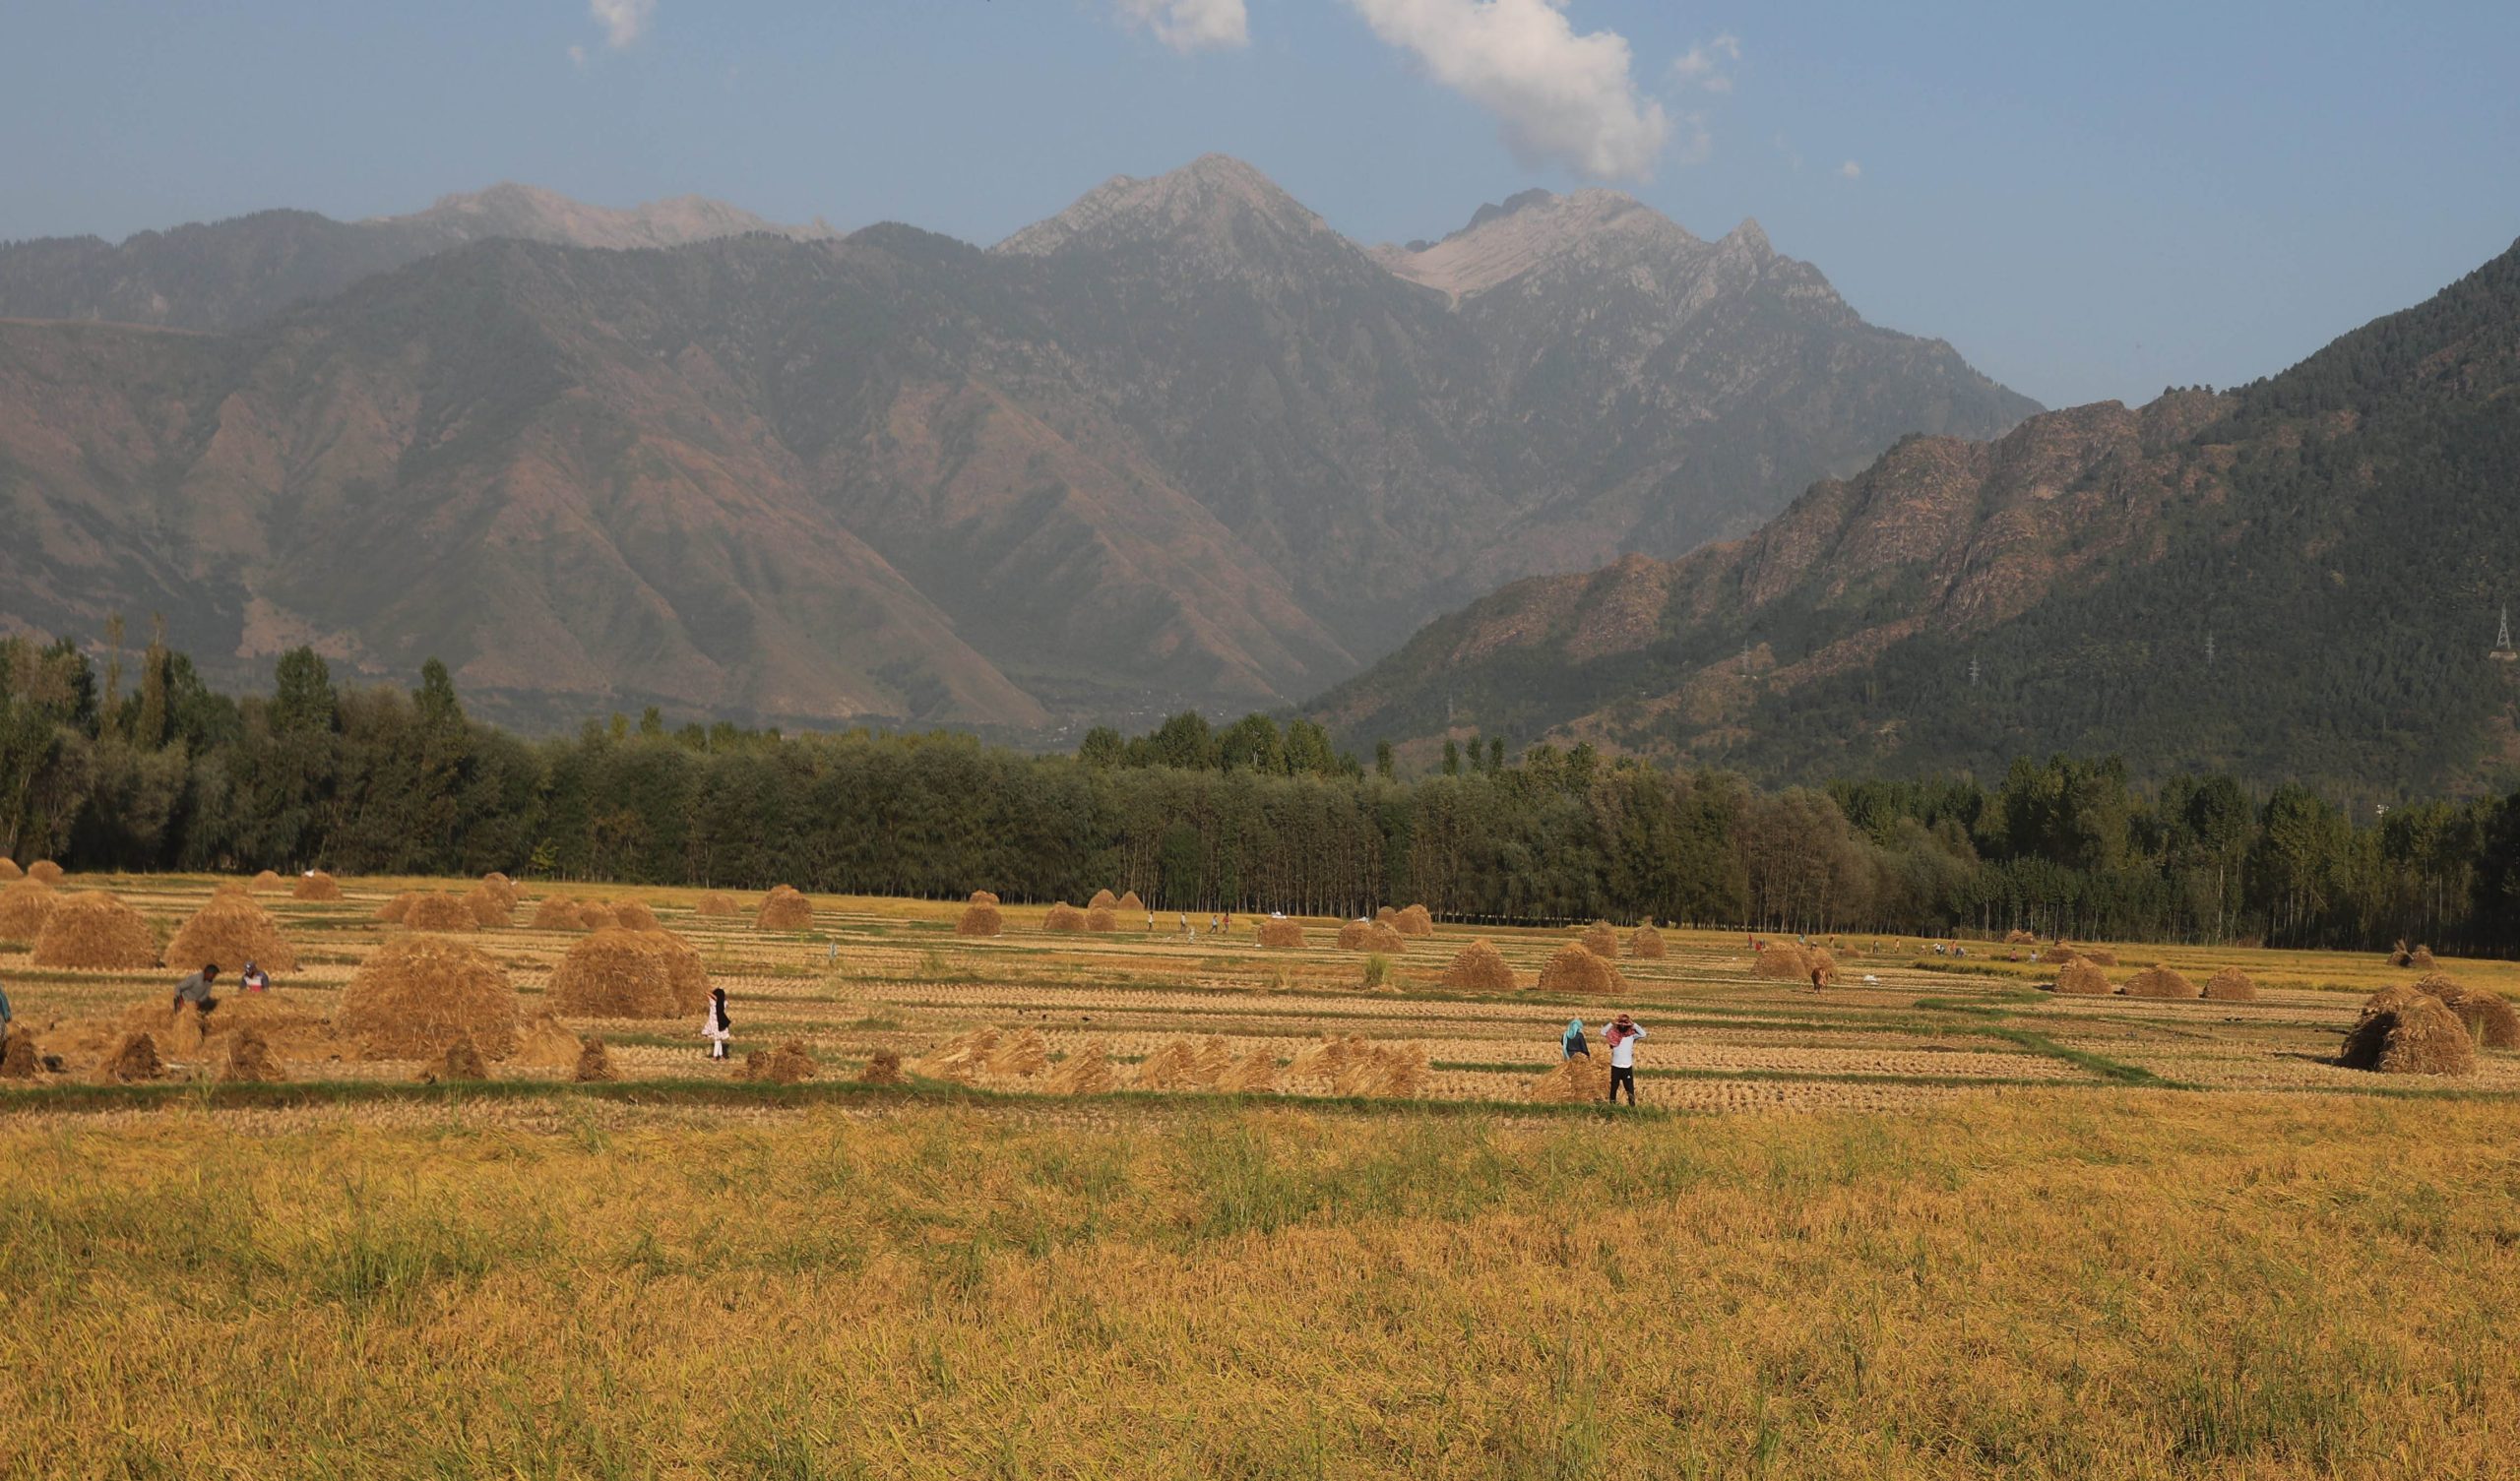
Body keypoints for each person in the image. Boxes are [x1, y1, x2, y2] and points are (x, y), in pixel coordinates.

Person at [1602, 1014, 1646, 1105]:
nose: (1622, 1026)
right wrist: (1611, 1023)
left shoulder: (1632, 1035)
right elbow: (1602, 1032)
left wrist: (1634, 1025)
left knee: (1629, 1088)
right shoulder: (1613, 1033)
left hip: (1627, 1067)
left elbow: (1643, 1034)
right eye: (1621, 1023)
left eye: (1625, 1024)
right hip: (1616, 1066)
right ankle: (1612, 1105)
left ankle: (1632, 1106)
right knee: (1614, 1087)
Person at [702, 986, 731, 1062]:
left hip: (714, 1024)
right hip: (721, 1023)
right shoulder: (724, 1003)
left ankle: (715, 1056)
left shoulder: (712, 1003)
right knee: (719, 1040)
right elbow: (724, 999)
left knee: (717, 1040)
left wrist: (711, 992)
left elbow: (708, 994)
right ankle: (721, 1056)